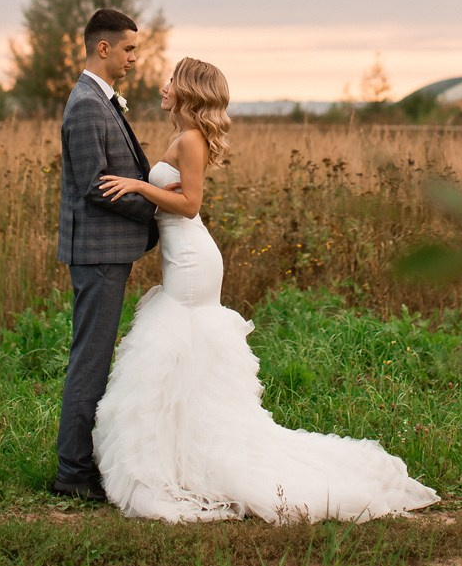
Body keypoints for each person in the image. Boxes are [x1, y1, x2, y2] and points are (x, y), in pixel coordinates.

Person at [93, 57, 439, 523]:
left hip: (192, 260)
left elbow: (190, 204)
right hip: (184, 253)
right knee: (182, 353)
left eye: (171, 79)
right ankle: (184, 446)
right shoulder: (182, 136)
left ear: (188, 89)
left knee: (178, 343)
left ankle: (197, 453)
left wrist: (138, 185)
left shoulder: (191, 139)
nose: (163, 84)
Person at [50, 8, 159, 502]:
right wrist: (154, 213)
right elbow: (96, 185)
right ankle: (72, 474)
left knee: (92, 356)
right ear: (104, 48)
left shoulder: (99, 99)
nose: (135, 58)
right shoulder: (88, 105)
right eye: (130, 49)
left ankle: (81, 463)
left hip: (105, 251)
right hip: (97, 253)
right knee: (90, 359)